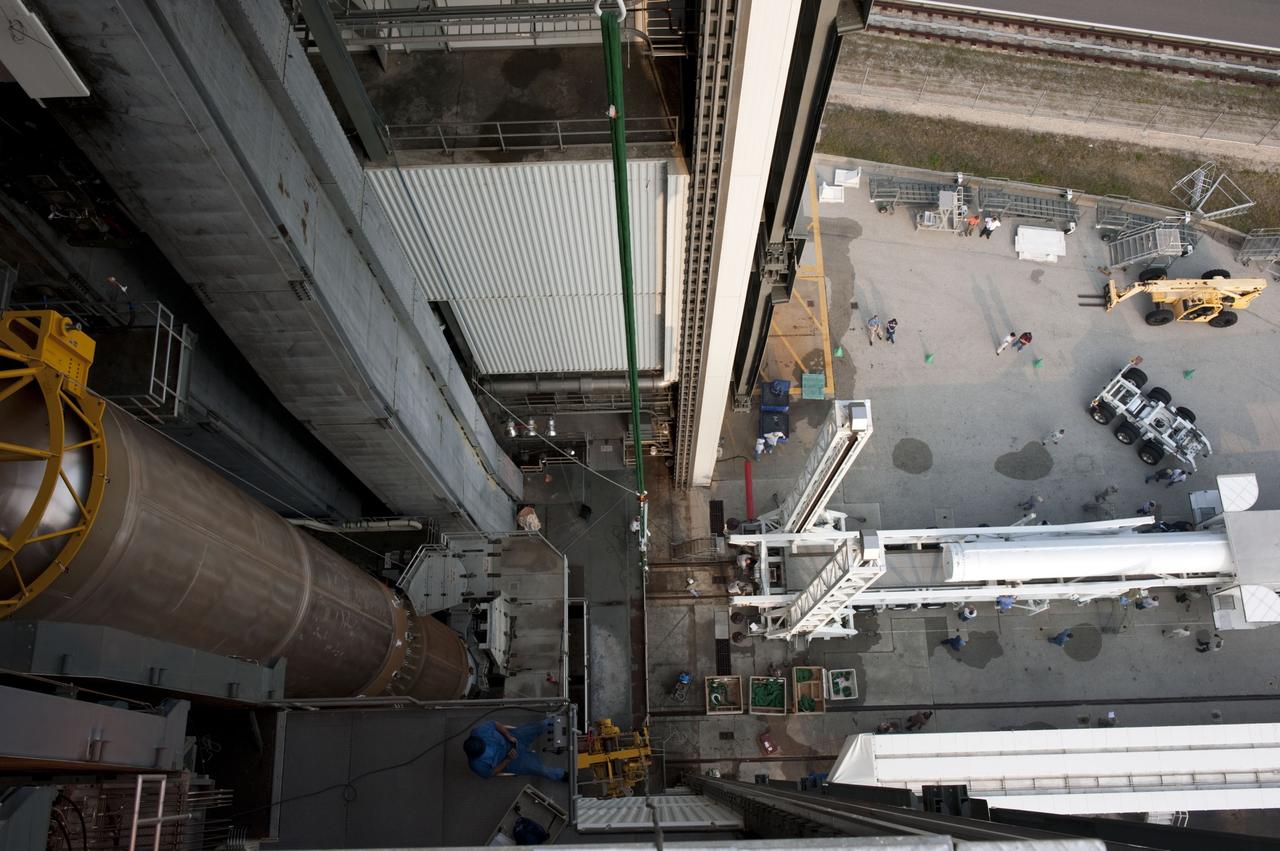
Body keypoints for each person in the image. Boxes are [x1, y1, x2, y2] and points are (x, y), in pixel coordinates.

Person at [463, 718, 568, 782]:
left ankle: (559, 720)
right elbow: (491, 773)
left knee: (540, 725)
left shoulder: (479, 731)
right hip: (512, 761)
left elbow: (495, 724)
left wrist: (508, 736)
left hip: (514, 738)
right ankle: (563, 775)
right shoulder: (475, 765)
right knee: (541, 770)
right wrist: (508, 760)